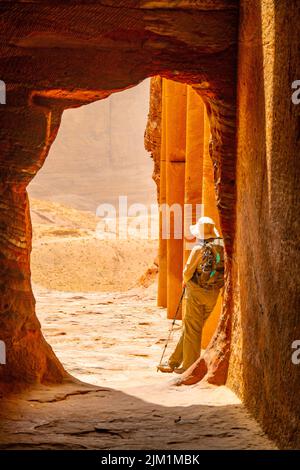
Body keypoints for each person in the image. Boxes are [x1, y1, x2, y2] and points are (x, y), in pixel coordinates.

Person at [158, 216, 224, 374]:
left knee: (192, 330)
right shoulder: (221, 247)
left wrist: (185, 282)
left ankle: (189, 367)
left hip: (196, 294)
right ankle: (173, 361)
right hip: (213, 294)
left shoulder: (198, 249)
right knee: (192, 329)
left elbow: (187, 273)